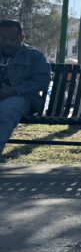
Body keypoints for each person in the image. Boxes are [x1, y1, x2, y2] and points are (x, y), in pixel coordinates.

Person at [0, 20, 51, 155]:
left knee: (6, 110)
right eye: (2, 37)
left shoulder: (34, 56)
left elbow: (42, 80)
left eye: (13, 38)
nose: (7, 42)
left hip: (22, 98)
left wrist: (14, 90)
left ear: (22, 37)